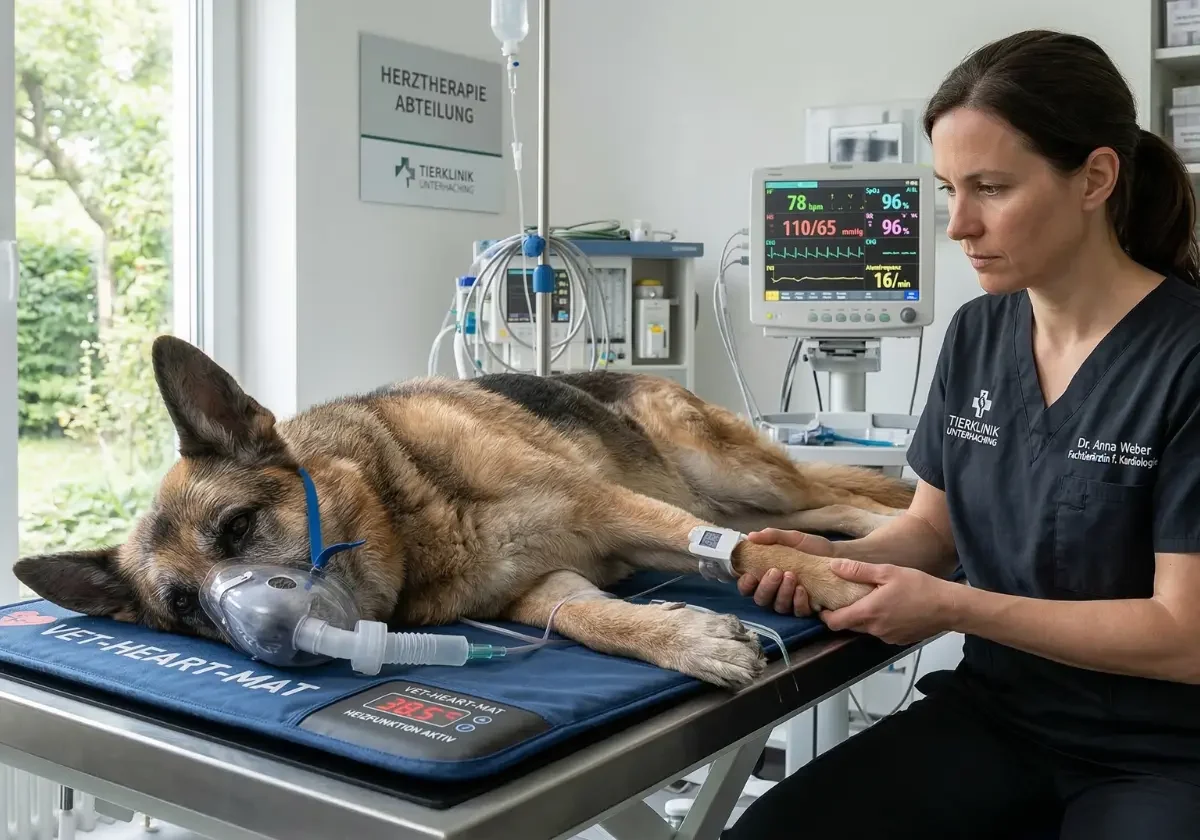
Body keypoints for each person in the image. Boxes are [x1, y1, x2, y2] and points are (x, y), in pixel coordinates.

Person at [725, 29, 1200, 840]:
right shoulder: (979, 334)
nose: (958, 226)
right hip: (997, 720)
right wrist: (834, 565)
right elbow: (933, 531)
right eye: (948, 189)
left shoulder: (1184, 358)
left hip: (1158, 752)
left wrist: (952, 610)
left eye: (991, 188)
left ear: (1095, 178)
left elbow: (1184, 636)